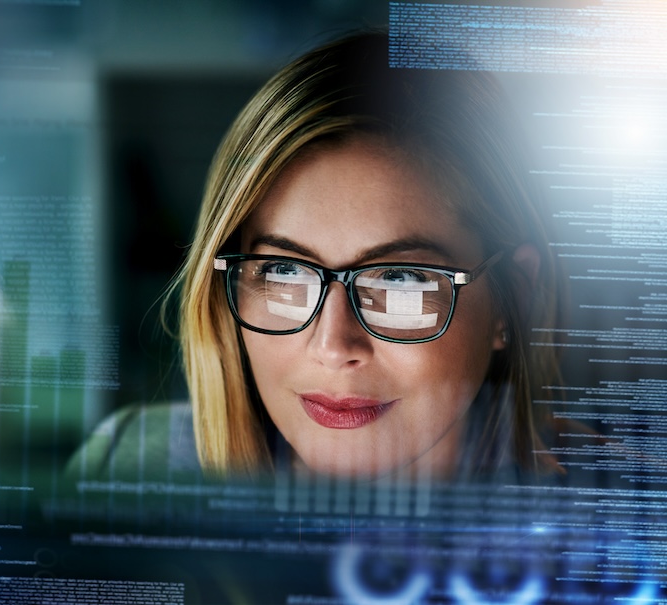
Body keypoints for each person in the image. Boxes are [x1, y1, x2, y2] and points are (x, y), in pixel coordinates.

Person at [66, 30, 566, 484]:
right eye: (283, 271)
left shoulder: (617, 525)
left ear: (512, 299)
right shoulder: (126, 472)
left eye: (399, 279)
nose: (333, 345)